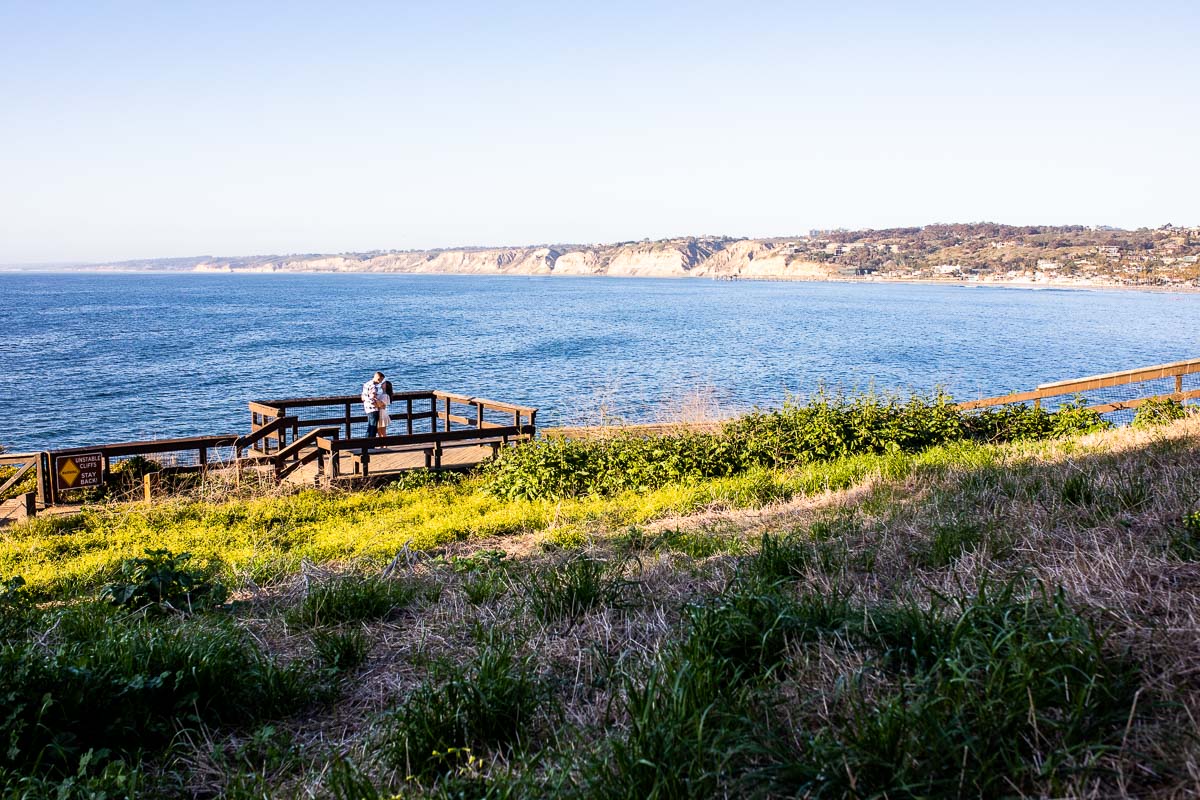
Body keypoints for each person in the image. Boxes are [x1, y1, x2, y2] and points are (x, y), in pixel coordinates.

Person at [361, 371, 385, 437]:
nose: (381, 382)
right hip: (373, 409)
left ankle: (366, 444)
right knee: (373, 427)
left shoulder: (366, 384)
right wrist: (379, 404)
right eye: (381, 380)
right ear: (379, 378)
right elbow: (373, 398)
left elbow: (363, 397)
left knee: (369, 426)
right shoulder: (373, 387)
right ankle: (371, 444)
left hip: (367, 408)